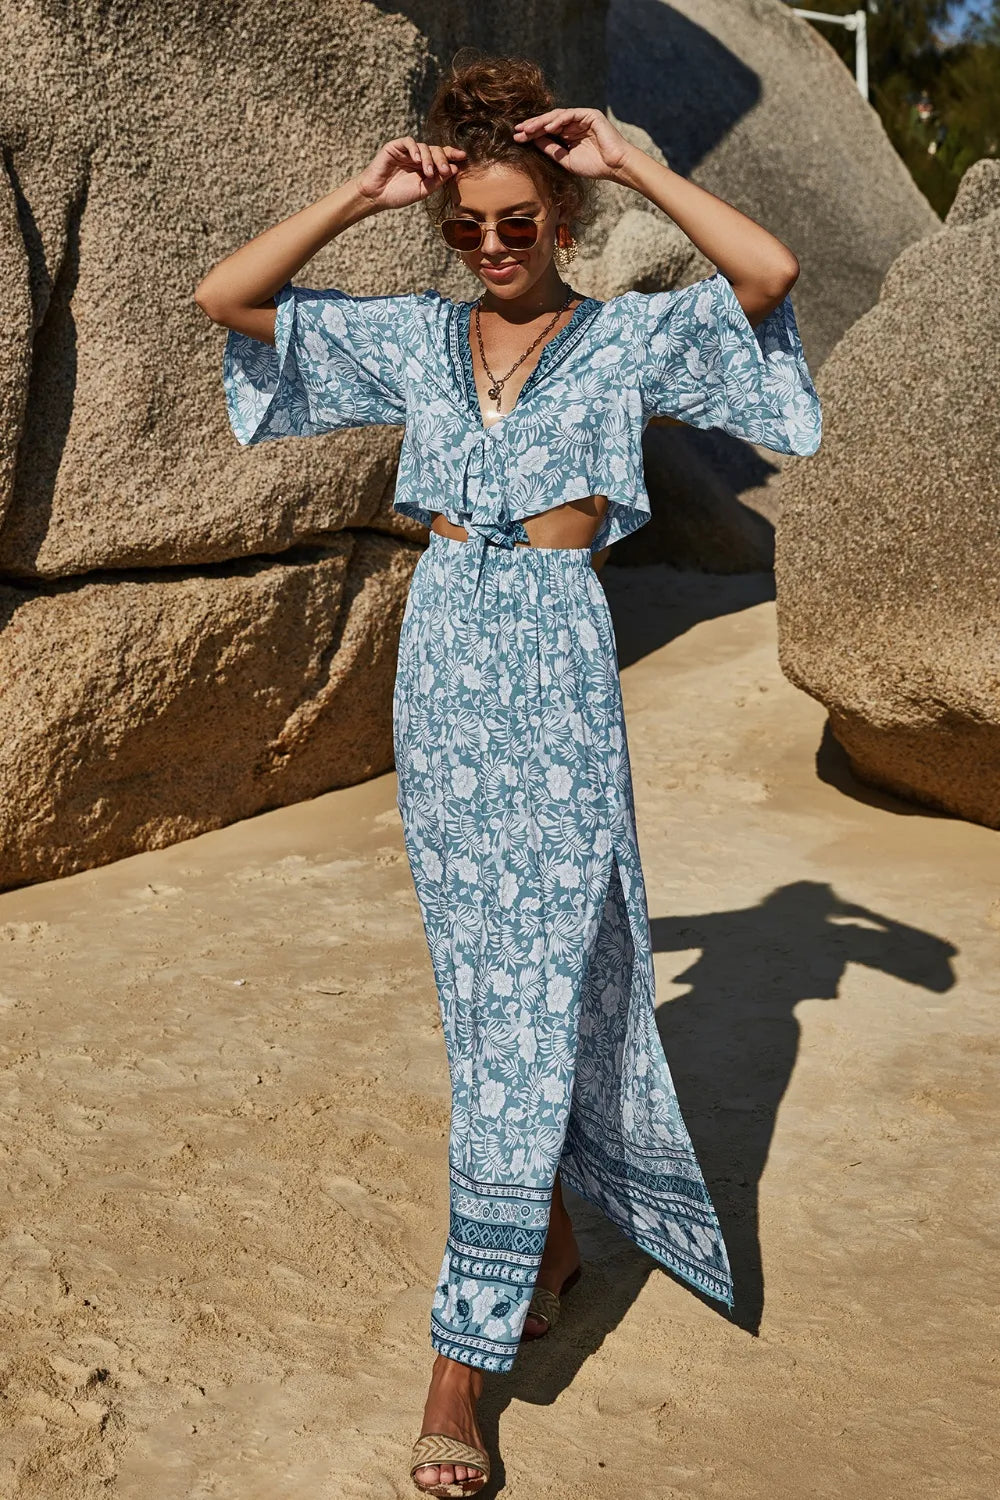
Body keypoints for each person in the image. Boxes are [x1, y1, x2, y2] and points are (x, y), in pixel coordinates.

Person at [194, 51, 821, 1500]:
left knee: (534, 997)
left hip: (549, 660)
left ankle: (459, 1370)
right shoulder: (418, 339)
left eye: (518, 222)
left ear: (561, 214)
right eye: (467, 226)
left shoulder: (625, 344)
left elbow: (772, 275)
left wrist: (639, 164)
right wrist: (362, 193)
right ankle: (544, 1234)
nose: (491, 246)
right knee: (491, 999)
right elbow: (232, 302)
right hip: (443, 661)